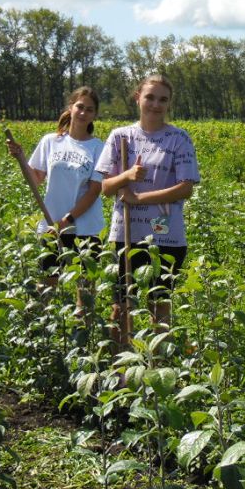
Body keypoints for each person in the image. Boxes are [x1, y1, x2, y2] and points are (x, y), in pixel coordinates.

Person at [97, 73, 200, 338]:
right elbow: (106, 188)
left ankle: (157, 368)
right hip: (126, 233)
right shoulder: (120, 136)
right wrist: (127, 176)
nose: (156, 105)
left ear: (169, 104)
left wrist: (139, 198)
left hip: (165, 235)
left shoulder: (179, 138)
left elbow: (185, 187)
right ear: (137, 98)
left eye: (162, 100)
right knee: (121, 305)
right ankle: (120, 372)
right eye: (150, 97)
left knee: (159, 304)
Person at [7, 86, 105, 315]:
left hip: (85, 228)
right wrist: (21, 158)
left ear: (94, 115)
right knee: (47, 285)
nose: (83, 113)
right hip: (51, 226)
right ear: (71, 108)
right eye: (80, 107)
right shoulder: (51, 141)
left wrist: (67, 219)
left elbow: (93, 191)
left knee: (85, 291)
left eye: (89, 110)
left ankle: (83, 341)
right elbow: (36, 179)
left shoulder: (98, 147)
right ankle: (45, 339)